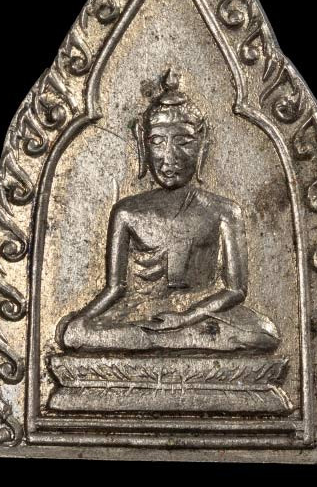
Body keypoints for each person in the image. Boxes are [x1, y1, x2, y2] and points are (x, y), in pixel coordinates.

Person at [57, 69, 280, 353]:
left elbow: (235, 290)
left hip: (201, 313)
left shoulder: (224, 211)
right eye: (157, 142)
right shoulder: (127, 212)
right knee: (76, 334)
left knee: (265, 333)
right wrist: (82, 320)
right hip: (144, 310)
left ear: (202, 143)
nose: (169, 157)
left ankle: (163, 340)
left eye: (183, 141)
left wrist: (186, 317)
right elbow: (115, 288)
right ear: (143, 144)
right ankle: (174, 340)